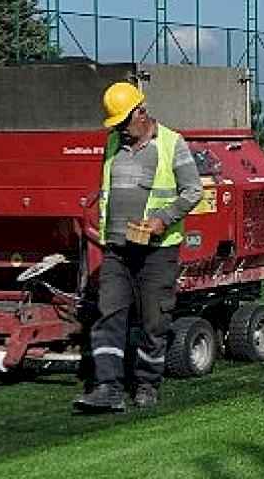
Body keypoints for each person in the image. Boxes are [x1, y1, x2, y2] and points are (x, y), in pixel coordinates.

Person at [74, 81, 203, 413]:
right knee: (109, 315)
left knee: (153, 321)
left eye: (123, 122)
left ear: (141, 113)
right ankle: (108, 387)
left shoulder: (173, 144)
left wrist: (162, 219)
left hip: (157, 251)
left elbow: (193, 191)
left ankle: (146, 384)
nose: (119, 129)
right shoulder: (113, 143)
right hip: (117, 249)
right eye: (115, 124)